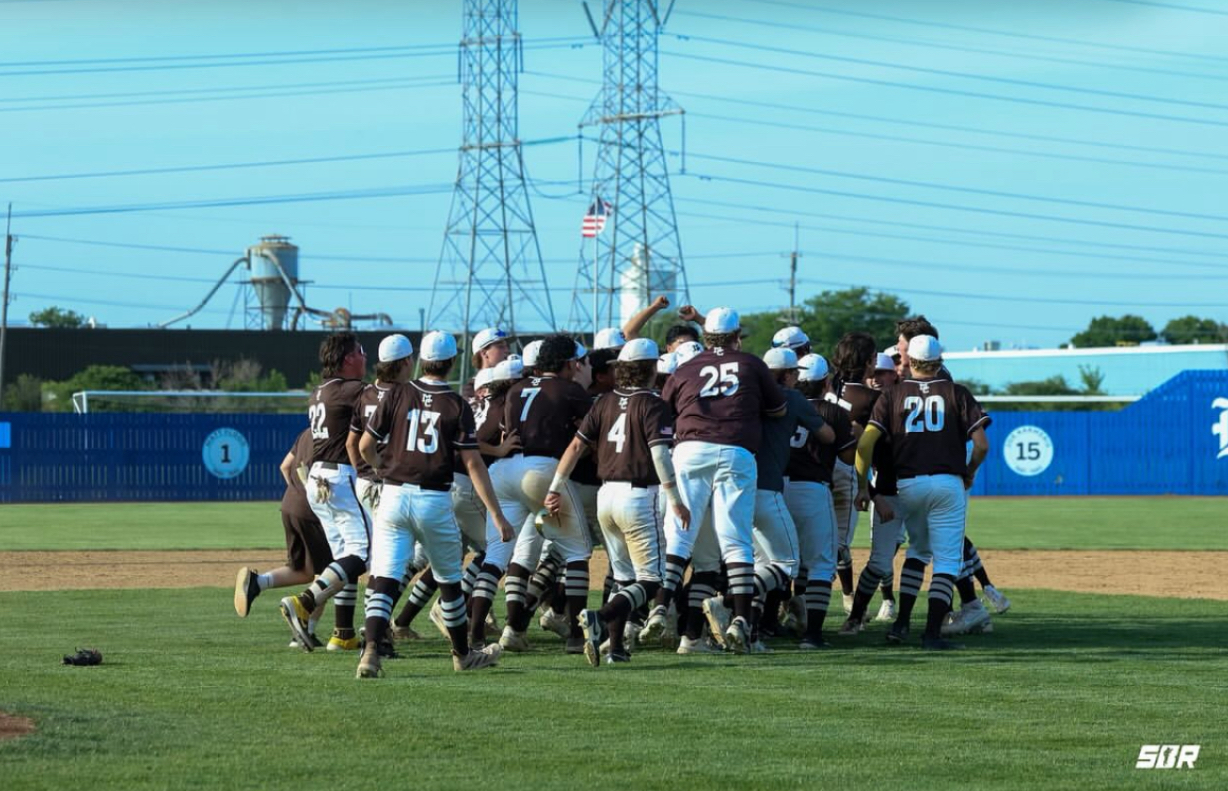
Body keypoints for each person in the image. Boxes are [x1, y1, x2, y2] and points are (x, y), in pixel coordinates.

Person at [355, 331, 515, 678]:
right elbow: (473, 465)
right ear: (452, 361)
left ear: (419, 361)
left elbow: (366, 444)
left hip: (394, 496)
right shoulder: (456, 404)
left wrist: (382, 468)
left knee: (384, 577)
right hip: (433, 499)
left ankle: (369, 652)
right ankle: (462, 654)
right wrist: (498, 515)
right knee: (449, 581)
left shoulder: (398, 393)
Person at [547, 338, 689, 666]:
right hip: (638, 495)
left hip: (605, 494)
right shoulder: (653, 404)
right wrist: (676, 498)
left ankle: (616, 648)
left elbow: (575, 447)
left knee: (624, 577)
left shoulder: (604, 401)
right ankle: (600, 616)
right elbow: (659, 455)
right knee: (651, 580)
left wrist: (555, 487)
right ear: (652, 368)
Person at [658, 307, 787, 654]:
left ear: (705, 336)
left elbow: (664, 409)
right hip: (734, 449)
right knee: (735, 540)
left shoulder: (686, 367)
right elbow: (778, 410)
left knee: (681, 535)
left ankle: (660, 604)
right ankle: (742, 620)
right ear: (736, 335)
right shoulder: (749, 363)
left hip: (690, 449)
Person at [855, 335, 991, 650]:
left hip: (907, 485)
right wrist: (969, 471)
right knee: (946, 560)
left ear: (909, 362)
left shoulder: (892, 394)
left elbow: (864, 444)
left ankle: (902, 622)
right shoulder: (956, 392)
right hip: (947, 483)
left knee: (917, 551)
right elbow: (982, 444)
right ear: (939, 360)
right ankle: (931, 633)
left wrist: (864, 486)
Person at [468, 335, 595, 653]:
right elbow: (590, 433)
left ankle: (476, 635)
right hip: (542, 469)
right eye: (575, 363)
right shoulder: (570, 390)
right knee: (577, 551)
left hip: (504, 470)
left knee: (496, 556)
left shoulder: (515, 389)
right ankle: (577, 636)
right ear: (567, 364)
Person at [714, 346, 832, 652]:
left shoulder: (745, 395)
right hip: (767, 486)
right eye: (794, 373)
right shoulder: (792, 398)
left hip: (733, 487)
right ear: (789, 374)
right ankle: (727, 602)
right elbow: (828, 436)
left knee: (760, 563)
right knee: (788, 563)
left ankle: (747, 633)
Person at [896, 317, 1011, 619]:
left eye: (902, 344)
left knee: (938, 547)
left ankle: (966, 605)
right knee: (948, 542)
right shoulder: (943, 380)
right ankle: (970, 601)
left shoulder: (932, 380)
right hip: (946, 473)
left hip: (930, 469)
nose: (898, 349)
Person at [279, 332, 370, 653]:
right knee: (362, 554)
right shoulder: (351, 390)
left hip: (317, 477)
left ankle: (342, 633)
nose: (365, 357)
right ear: (348, 359)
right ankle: (304, 602)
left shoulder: (319, 391)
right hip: (338, 475)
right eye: (360, 352)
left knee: (344, 556)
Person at [234, 428, 333, 650]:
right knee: (330, 573)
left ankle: (257, 583)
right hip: (312, 510)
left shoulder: (306, 433)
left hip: (290, 503)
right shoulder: (334, 433)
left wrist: (297, 493)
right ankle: (306, 631)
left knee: (302, 570)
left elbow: (285, 466)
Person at [784, 354, 856, 649]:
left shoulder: (780, 405)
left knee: (774, 563)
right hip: (811, 489)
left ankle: (759, 626)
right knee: (822, 564)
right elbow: (848, 457)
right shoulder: (833, 412)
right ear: (826, 382)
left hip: (775, 490)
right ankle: (812, 635)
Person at [825, 332, 881, 615]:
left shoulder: (823, 384)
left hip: (811, 470)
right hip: (845, 470)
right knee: (839, 544)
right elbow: (872, 443)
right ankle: (839, 597)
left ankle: (794, 599)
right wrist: (866, 487)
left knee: (807, 537)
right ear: (869, 361)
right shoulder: (872, 398)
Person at [462, 327, 511, 400]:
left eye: (507, 346)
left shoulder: (512, 381)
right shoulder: (472, 388)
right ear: (484, 353)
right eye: (501, 347)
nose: (507, 350)